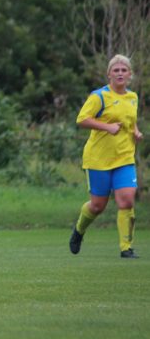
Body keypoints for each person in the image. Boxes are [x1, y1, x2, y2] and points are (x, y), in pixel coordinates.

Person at [69, 54, 142, 259]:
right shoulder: (99, 96)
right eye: (116, 70)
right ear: (109, 74)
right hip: (98, 159)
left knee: (126, 200)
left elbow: (130, 120)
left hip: (125, 158)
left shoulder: (133, 97)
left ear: (129, 74)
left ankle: (126, 248)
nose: (120, 73)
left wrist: (135, 131)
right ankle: (79, 230)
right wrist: (107, 127)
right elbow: (82, 119)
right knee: (97, 206)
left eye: (124, 70)